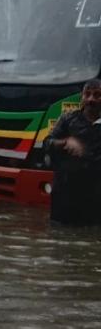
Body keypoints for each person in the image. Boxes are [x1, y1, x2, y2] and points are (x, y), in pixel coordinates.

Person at [44, 78, 101, 224]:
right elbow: (47, 143)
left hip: (94, 200)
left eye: (97, 95)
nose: (91, 100)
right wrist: (64, 142)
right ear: (81, 97)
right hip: (65, 197)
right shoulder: (68, 119)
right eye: (87, 94)